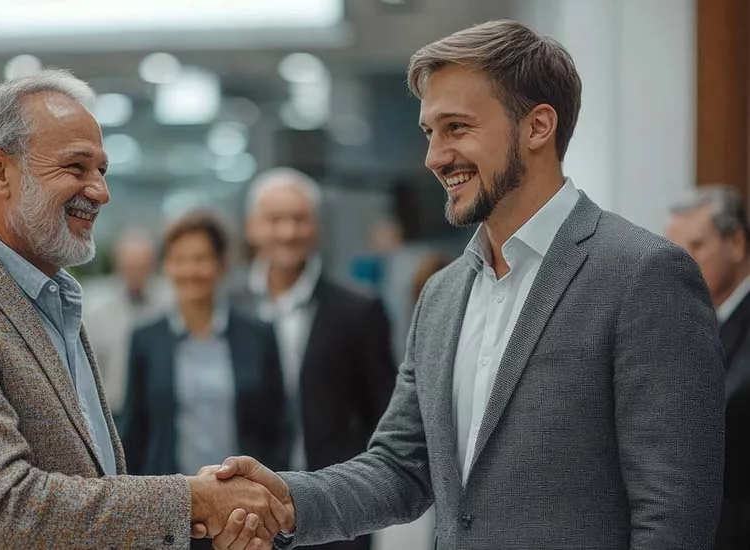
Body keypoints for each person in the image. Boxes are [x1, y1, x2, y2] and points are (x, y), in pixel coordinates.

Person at [199, 19, 725, 550]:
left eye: (457, 128)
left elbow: (674, 515)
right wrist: (286, 499)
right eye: (430, 132)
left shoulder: (643, 274)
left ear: (538, 126)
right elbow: (401, 466)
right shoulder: (443, 295)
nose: (434, 157)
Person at [0, 69, 285, 549]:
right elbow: (7, 509)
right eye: (76, 168)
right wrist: (193, 501)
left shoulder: (50, 301)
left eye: (101, 170)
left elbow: (90, 480)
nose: (100, 192)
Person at [233, 167, 397, 550]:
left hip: (337, 512)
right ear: (253, 228)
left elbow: (386, 416)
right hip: (247, 513)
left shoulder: (359, 311)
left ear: (316, 227)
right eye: (275, 220)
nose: (288, 232)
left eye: (299, 219)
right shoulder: (229, 308)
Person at [121, 212, 290, 549]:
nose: (191, 270)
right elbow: (134, 431)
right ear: (166, 267)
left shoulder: (258, 335)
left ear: (221, 264)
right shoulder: (146, 339)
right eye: (180, 260)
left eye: (201, 258)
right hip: (170, 511)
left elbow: (280, 426)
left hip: (244, 512)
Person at [666, 185, 750, 549]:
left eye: (697, 247)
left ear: (736, 244)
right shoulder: (680, 323)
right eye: (675, 251)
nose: (684, 262)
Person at [83, 226, 165, 419]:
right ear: (118, 265)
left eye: (141, 266)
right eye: (130, 266)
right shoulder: (95, 309)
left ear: (152, 265)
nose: (135, 273)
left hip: (156, 411)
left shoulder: (168, 304)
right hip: (113, 412)